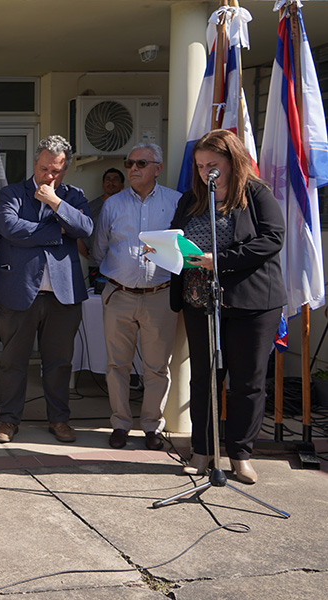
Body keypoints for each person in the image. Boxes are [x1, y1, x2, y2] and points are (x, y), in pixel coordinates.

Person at [168, 129, 285, 485]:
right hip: (199, 302)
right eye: (201, 166)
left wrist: (220, 260)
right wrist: (162, 250)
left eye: (213, 165)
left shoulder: (256, 193)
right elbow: (176, 237)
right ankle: (202, 451)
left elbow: (272, 239)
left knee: (247, 381)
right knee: (204, 378)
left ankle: (240, 455)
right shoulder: (191, 199)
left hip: (251, 302)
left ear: (233, 162)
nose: (206, 172)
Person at [0, 135, 93, 444]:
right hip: (20, 292)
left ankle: (59, 420)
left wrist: (55, 201)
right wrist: (56, 231)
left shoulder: (73, 196)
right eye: (45, 168)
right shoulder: (11, 193)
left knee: (59, 363)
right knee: (13, 362)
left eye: (57, 171)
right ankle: (8, 420)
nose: (50, 176)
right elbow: (10, 228)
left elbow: (85, 228)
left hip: (63, 294)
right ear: (35, 162)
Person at [92, 143, 180, 451]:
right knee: (118, 365)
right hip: (119, 294)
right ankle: (120, 424)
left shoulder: (175, 202)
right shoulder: (113, 205)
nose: (133, 169)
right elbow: (99, 248)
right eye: (129, 163)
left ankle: (152, 426)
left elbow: (183, 250)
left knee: (156, 367)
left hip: (160, 295)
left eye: (141, 163)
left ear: (157, 167)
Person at [79, 168, 124, 282]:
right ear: (103, 185)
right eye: (108, 180)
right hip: (97, 266)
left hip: (123, 265)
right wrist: (90, 256)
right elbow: (77, 235)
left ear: (122, 185)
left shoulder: (128, 206)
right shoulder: (91, 207)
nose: (111, 182)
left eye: (115, 179)